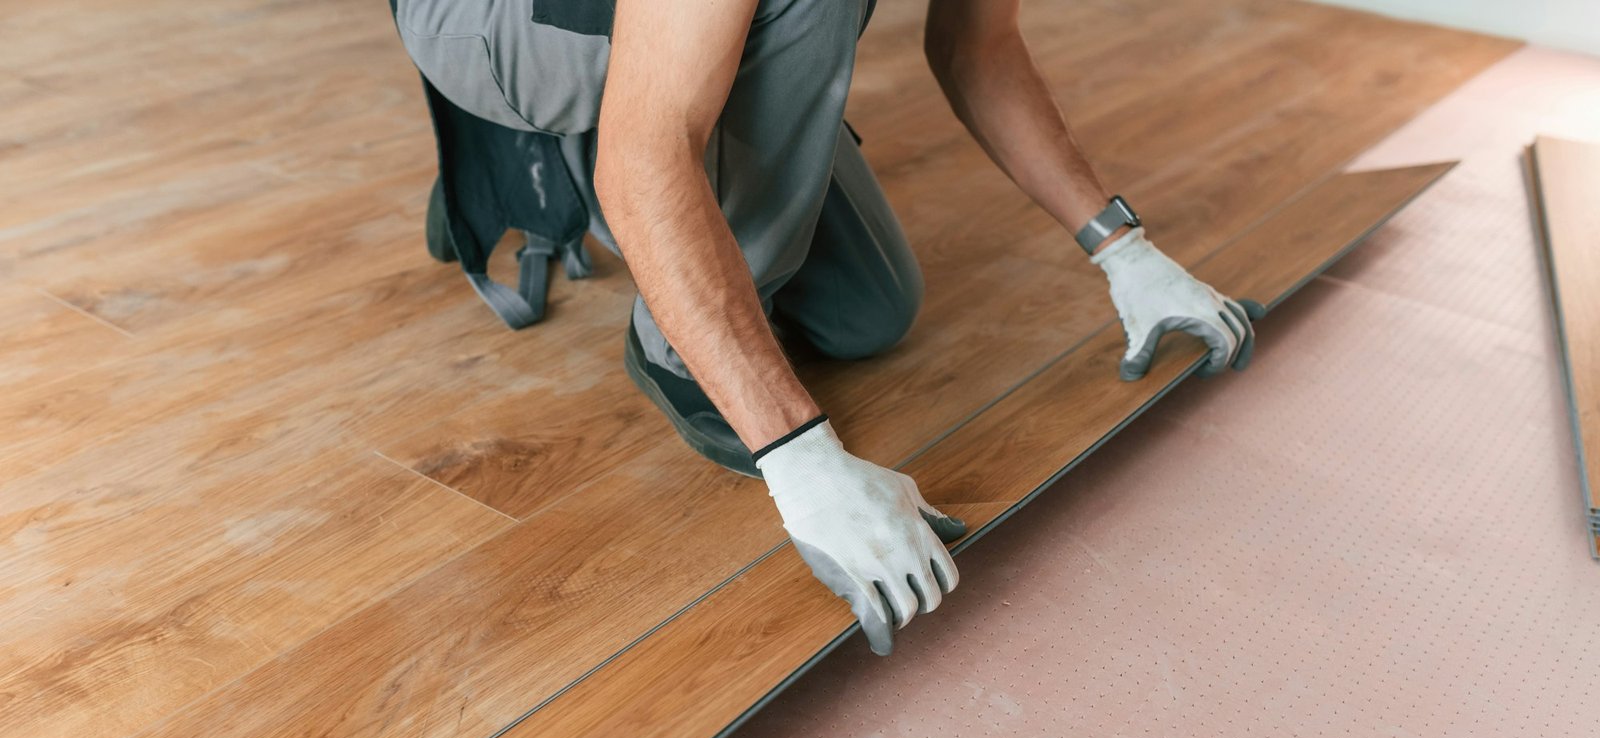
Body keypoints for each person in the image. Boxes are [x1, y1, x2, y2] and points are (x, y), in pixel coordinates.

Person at [395, 0, 1257, 655]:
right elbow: (648, 150)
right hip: (489, 23)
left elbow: (978, 49)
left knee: (869, 315)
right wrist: (800, 459)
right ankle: (641, 296)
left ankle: (653, 105)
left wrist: (1124, 250)